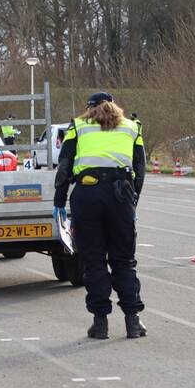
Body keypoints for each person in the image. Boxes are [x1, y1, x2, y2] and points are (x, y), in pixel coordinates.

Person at [53, 92, 146, 340]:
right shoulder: (132, 127)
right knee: (124, 261)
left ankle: (100, 323)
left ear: (89, 108)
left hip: (88, 194)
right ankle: (133, 322)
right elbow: (140, 168)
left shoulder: (78, 126)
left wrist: (59, 201)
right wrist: (132, 201)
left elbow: (64, 166)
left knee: (94, 261)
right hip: (120, 195)